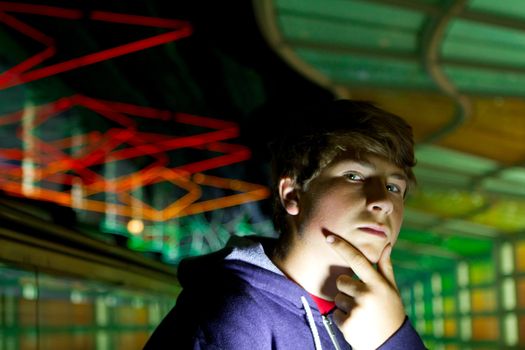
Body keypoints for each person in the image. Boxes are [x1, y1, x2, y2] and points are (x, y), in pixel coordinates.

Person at [144, 99, 426, 349]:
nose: (384, 202)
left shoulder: (366, 321)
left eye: (393, 188)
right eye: (354, 176)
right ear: (292, 193)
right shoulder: (231, 320)